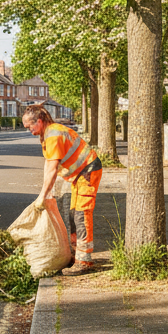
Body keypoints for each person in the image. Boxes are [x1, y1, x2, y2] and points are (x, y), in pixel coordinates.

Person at [24, 104, 101, 275]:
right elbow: (48, 164)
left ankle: (85, 261)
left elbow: (52, 169)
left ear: (40, 121)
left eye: (30, 126)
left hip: (88, 171)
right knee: (73, 214)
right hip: (80, 174)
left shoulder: (53, 135)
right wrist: (46, 192)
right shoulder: (47, 134)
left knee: (82, 214)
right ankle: (76, 254)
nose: (29, 130)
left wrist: (43, 195)